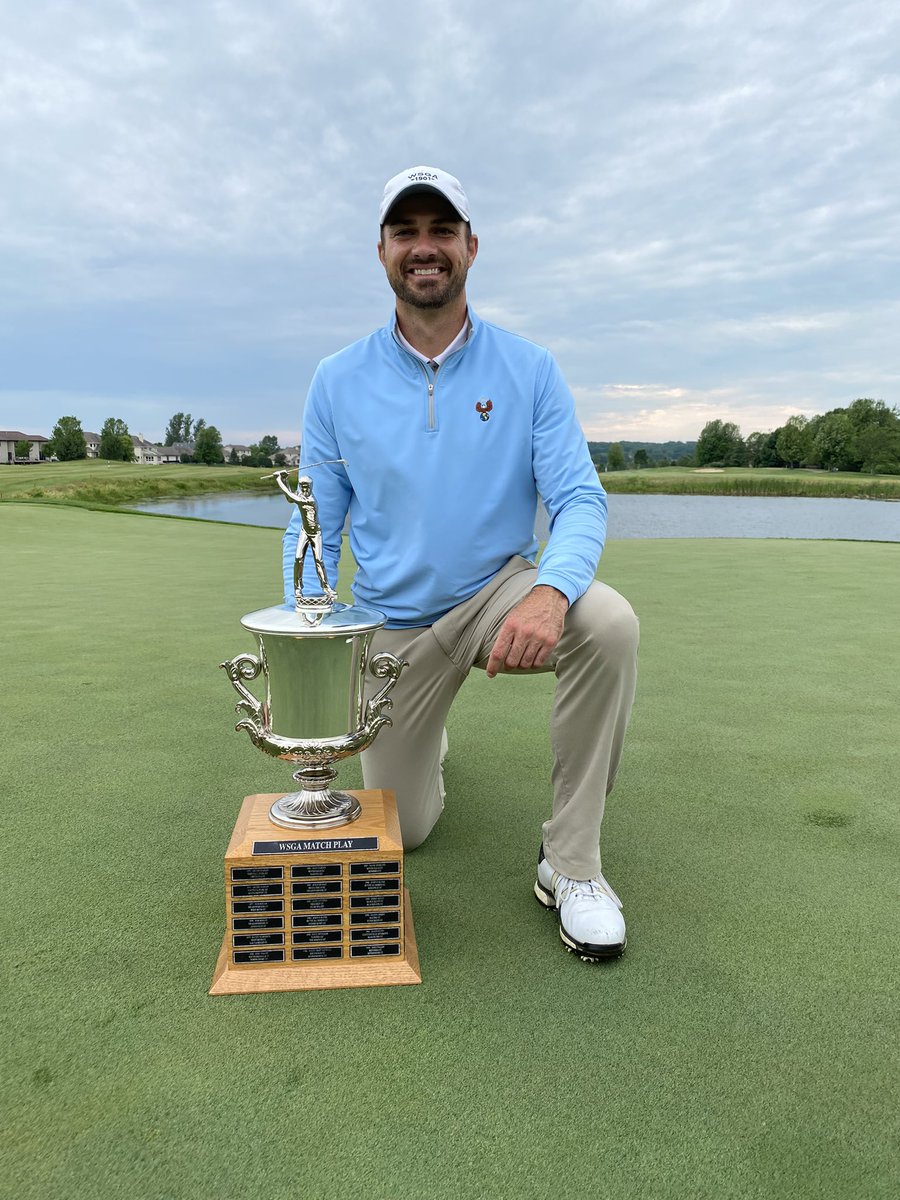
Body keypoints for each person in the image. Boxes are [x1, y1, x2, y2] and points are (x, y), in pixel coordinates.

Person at [283, 165, 639, 961]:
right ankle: (425, 745)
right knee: (404, 830)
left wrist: (551, 591)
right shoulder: (337, 379)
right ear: (382, 252)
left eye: (441, 231)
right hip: (391, 625)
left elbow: (579, 499)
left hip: (497, 595)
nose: (425, 248)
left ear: (471, 247)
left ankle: (571, 864)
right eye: (406, 232)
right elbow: (315, 529)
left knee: (607, 621)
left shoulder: (529, 368)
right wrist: (311, 639)